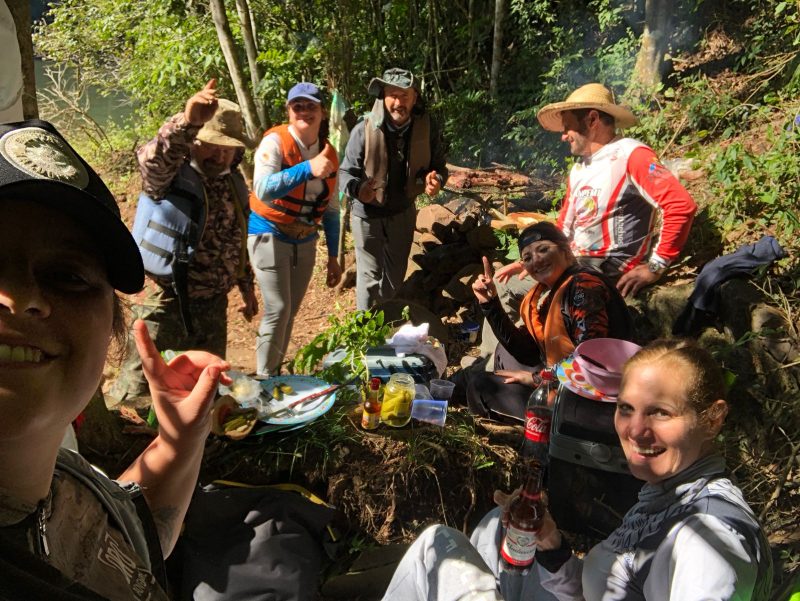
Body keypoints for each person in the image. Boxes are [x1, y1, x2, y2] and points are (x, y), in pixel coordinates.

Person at [0, 119, 231, 599]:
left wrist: (179, 443)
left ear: (111, 329)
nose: (21, 297)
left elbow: (131, 532)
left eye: (66, 275)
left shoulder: (68, 480)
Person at [382, 340, 773, 600]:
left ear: (713, 419)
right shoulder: (667, 491)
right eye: (626, 408)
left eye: (661, 412)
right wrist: (553, 546)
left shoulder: (710, 539)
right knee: (494, 527)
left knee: (433, 549)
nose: (636, 430)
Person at [476, 82, 697, 367]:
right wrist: (528, 262)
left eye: (568, 127)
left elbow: (680, 205)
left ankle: (496, 371)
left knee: (509, 290)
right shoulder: (580, 169)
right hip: (572, 259)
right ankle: (500, 366)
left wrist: (654, 267)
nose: (563, 136)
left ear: (592, 119)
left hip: (607, 265)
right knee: (503, 283)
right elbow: (562, 228)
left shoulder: (632, 155)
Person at [109, 79, 257, 403]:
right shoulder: (170, 176)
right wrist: (187, 122)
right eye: (211, 144)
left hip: (213, 304)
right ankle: (130, 446)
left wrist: (247, 287)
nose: (219, 154)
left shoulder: (234, 183)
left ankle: (197, 440)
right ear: (194, 142)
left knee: (206, 382)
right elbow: (151, 160)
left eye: (227, 146)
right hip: (165, 301)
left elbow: (239, 238)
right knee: (139, 384)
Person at [466, 221, 632, 421]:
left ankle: (536, 437)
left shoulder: (584, 288)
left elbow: (590, 363)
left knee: (479, 386)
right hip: (565, 381)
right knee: (502, 353)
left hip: (594, 401)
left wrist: (536, 379)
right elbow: (527, 352)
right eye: (527, 258)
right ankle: (444, 389)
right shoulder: (552, 290)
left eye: (543, 250)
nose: (536, 261)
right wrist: (490, 303)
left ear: (565, 250)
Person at [248, 82, 342, 375]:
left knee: (289, 312)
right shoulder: (274, 143)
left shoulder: (329, 153)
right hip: (269, 232)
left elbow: (332, 209)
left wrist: (334, 257)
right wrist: (307, 168)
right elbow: (262, 189)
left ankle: (273, 374)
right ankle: (264, 379)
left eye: (310, 106)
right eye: (297, 106)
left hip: (305, 240)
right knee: (278, 308)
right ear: (289, 111)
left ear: (322, 112)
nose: (304, 111)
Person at [339, 67, 449, 310]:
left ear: (415, 98)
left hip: (402, 212)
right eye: (393, 95)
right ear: (383, 97)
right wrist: (358, 190)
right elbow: (345, 173)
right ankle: (365, 336)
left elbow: (439, 166)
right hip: (367, 215)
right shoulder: (363, 129)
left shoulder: (425, 127)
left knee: (393, 279)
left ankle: (385, 327)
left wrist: (436, 179)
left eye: (405, 96)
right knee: (369, 279)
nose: (398, 102)